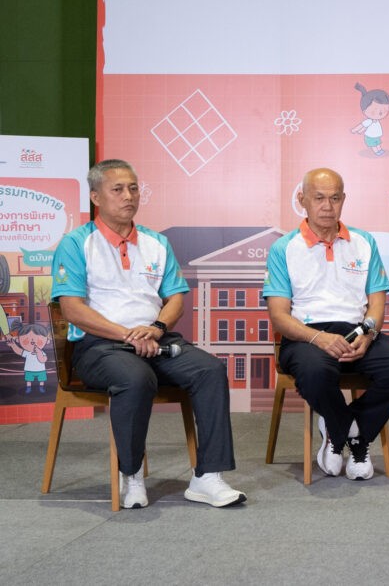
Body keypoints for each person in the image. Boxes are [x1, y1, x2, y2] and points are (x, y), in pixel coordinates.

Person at [50, 159, 245, 509]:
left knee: (210, 370)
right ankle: (131, 474)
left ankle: (207, 477)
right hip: (101, 347)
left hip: (157, 340)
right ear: (96, 196)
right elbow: (72, 309)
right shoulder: (77, 243)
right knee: (136, 379)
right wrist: (126, 334)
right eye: (118, 189)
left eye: (133, 188)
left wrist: (155, 328)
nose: (129, 196)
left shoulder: (157, 242)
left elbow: (175, 300)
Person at [263, 168, 389, 480]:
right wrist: (318, 338)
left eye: (335, 198)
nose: (327, 206)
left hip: (358, 331)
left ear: (343, 199)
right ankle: (344, 431)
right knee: (315, 372)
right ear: (302, 200)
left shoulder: (364, 242)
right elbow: (279, 316)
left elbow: (377, 304)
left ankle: (350, 432)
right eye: (319, 198)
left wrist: (369, 333)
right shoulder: (284, 248)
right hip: (307, 336)